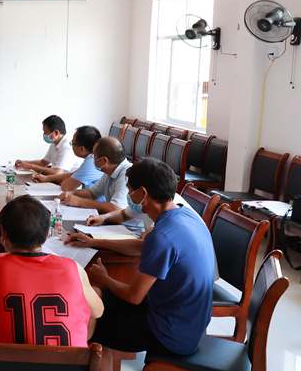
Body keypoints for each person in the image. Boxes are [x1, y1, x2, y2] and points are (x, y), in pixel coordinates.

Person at [87, 159, 215, 356]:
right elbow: (144, 247)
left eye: (130, 191)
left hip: (170, 334)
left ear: (143, 193)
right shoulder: (185, 216)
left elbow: (134, 296)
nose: (129, 196)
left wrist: (105, 278)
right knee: (98, 296)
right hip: (190, 323)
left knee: (90, 318)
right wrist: (93, 242)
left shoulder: (162, 237)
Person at [0, 195, 103, 346]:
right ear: (46, 234)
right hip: (68, 363)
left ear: (3, 235)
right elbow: (98, 311)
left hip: (4, 364)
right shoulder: (73, 268)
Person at [58, 137, 131, 214]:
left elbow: (116, 208)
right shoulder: (110, 170)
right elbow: (92, 193)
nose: (92, 158)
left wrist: (80, 202)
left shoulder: (127, 174)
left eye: (94, 155)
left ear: (103, 160)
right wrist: (72, 193)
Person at [32, 125, 104, 191]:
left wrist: (50, 178)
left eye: (73, 143)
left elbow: (66, 186)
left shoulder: (91, 162)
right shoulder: (92, 158)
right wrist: (47, 178)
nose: (71, 145)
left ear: (82, 149)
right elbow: (72, 174)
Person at [15, 115, 80, 175]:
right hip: (57, 179)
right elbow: (43, 162)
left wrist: (30, 166)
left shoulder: (66, 147)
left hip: (68, 182)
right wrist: (24, 162)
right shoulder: (54, 144)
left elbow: (57, 173)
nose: (44, 135)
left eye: (45, 132)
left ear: (56, 133)